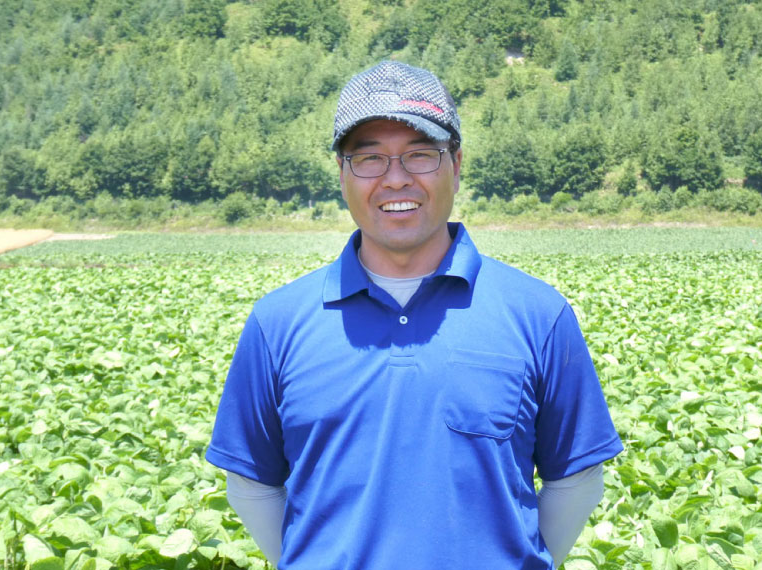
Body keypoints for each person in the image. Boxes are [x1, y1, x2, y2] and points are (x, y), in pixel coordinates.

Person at [206, 60, 623, 569]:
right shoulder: (278, 323)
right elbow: (250, 485)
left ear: (457, 164)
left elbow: (576, 480)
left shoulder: (538, 314)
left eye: (421, 155)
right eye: (369, 159)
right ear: (341, 173)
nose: (396, 179)